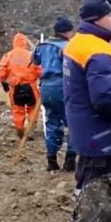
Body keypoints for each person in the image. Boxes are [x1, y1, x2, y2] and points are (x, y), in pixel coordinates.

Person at [63, 0, 111, 190]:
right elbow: (105, 99)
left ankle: (85, 212)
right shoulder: (99, 52)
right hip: (102, 134)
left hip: (86, 127)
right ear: (97, 19)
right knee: (99, 186)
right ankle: (92, 219)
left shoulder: (77, 43)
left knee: (87, 178)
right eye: (109, 14)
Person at [32, 16, 76, 171]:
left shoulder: (42, 46)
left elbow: (35, 62)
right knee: (72, 123)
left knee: (51, 122)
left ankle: (51, 159)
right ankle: (70, 160)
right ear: (67, 31)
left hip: (46, 87)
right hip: (63, 85)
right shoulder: (68, 47)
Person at [0, 33, 42, 139]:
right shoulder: (31, 55)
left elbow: (2, 72)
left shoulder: (8, 56)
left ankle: (20, 131)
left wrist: (3, 82)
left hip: (16, 88)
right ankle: (30, 130)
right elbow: (39, 71)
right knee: (33, 109)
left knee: (18, 110)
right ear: (24, 43)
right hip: (30, 87)